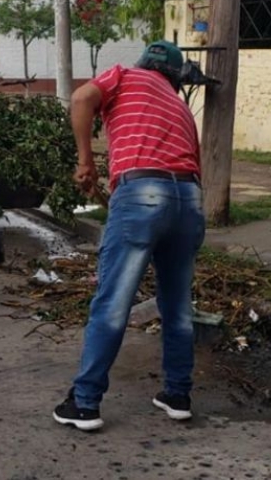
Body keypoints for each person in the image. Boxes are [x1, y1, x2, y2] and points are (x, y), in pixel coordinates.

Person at [53, 40, 205, 431]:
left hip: (142, 193)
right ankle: (177, 394)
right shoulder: (181, 106)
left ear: (143, 65)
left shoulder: (124, 75)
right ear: (174, 76)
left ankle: (85, 403)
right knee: (177, 305)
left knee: (113, 302)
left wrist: (85, 160)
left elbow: (82, 97)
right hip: (188, 198)